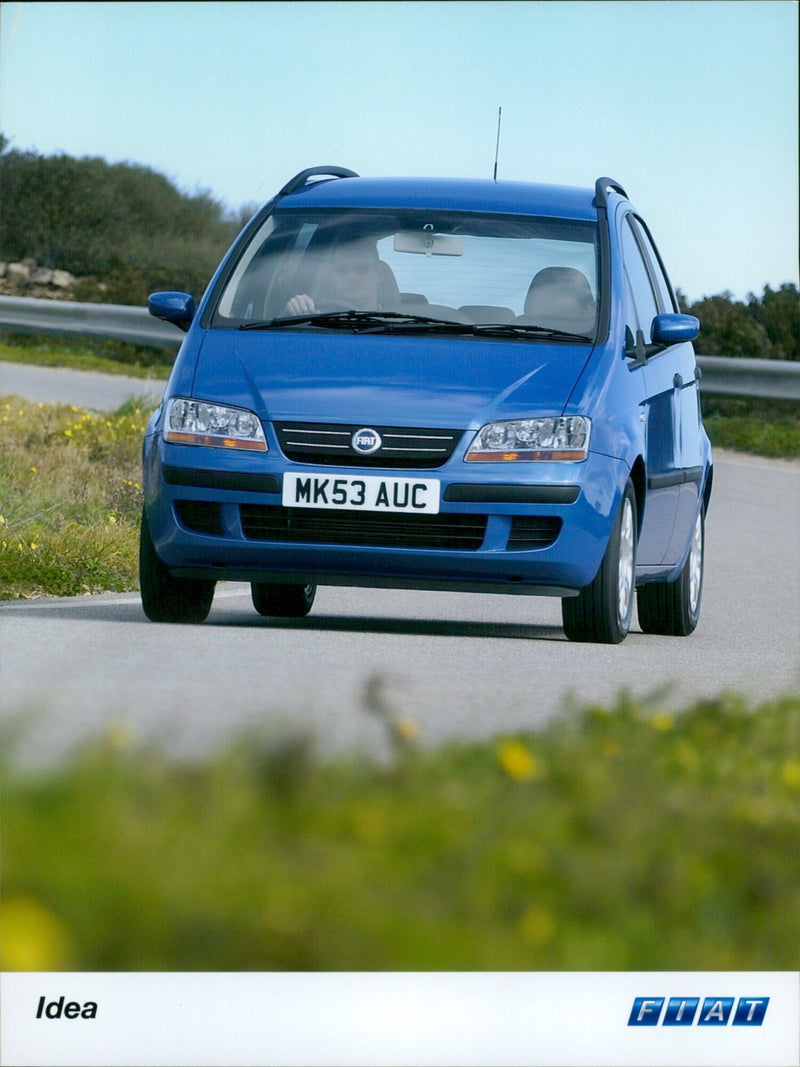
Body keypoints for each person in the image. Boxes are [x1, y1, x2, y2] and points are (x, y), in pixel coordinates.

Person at [283, 238, 383, 316]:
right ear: (332, 277)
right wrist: (294, 311)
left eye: (361, 269)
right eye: (342, 271)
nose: (351, 277)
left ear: (379, 274)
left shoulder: (396, 322)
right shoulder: (313, 315)